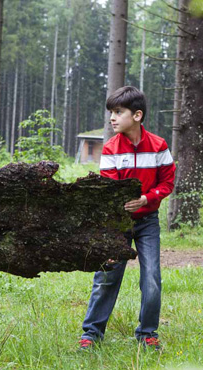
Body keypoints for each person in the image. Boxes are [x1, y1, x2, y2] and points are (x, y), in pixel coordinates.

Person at [79, 86, 176, 351]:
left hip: (147, 223)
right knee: (107, 276)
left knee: (152, 278)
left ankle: (147, 334)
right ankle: (92, 334)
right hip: (116, 225)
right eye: (111, 112)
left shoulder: (159, 146)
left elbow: (167, 182)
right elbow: (109, 190)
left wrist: (147, 199)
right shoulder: (110, 149)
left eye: (118, 112)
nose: (112, 118)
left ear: (137, 115)